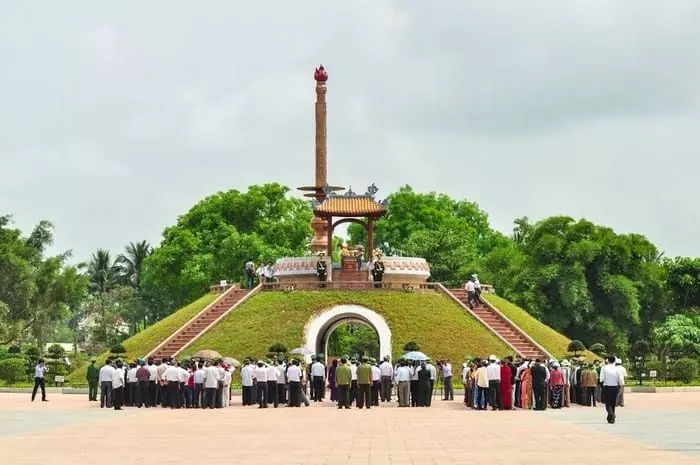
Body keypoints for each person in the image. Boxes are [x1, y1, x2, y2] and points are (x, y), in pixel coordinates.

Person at [600, 356, 624, 424]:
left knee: (607, 403)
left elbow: (601, 379)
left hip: (607, 387)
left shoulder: (604, 368)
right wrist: (621, 387)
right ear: (614, 361)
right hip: (615, 387)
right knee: (613, 403)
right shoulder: (617, 369)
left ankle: (611, 414)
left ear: (608, 361)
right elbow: (621, 379)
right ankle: (611, 417)